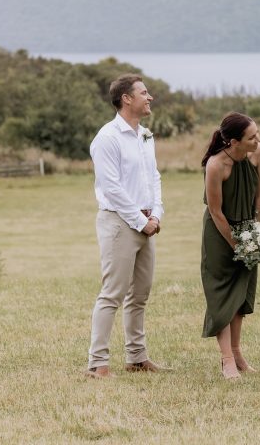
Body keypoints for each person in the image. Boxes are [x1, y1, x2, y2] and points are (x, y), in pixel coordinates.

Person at [85, 74, 167, 378]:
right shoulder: (107, 138)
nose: (150, 97)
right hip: (119, 222)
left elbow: (153, 177)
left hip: (147, 221)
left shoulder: (146, 135)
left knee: (140, 294)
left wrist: (156, 214)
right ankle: (97, 363)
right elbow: (112, 187)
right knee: (113, 293)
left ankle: (136, 357)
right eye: (144, 93)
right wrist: (140, 221)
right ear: (126, 99)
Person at [201, 112, 260, 380]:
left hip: (247, 228)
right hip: (220, 233)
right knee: (221, 294)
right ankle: (226, 359)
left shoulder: (259, 153)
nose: (257, 140)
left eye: (257, 134)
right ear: (232, 142)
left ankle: (237, 352)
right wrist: (236, 244)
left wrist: (254, 233)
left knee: (240, 293)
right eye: (251, 137)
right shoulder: (216, 165)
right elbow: (216, 212)